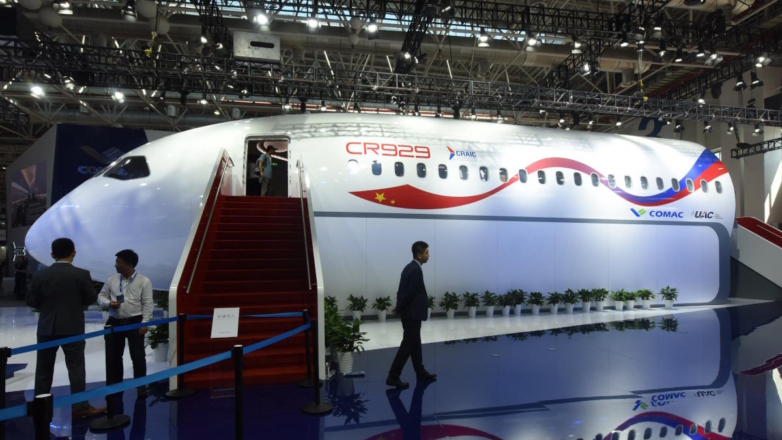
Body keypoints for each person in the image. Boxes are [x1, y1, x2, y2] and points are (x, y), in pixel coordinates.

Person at [26, 238, 105, 419]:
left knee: (43, 369)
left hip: (46, 327)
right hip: (72, 327)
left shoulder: (40, 275)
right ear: (73, 253)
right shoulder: (81, 274)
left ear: (52, 254)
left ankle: (40, 407)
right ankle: (79, 407)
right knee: (76, 368)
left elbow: (31, 300)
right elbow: (90, 298)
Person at [97, 249, 153, 399]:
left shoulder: (144, 281)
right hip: (114, 322)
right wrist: (109, 303)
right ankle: (116, 386)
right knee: (114, 356)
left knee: (138, 356)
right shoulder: (111, 280)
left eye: (119, 262)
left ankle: (141, 387)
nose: (115, 265)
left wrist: (144, 323)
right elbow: (101, 296)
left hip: (135, 322)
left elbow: (148, 304)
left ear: (129, 264)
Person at [387, 241, 437, 388]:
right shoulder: (416, 270)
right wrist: (399, 307)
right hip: (412, 314)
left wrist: (399, 306)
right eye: (426, 253)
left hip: (409, 313)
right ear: (419, 255)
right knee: (408, 345)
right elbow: (410, 293)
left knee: (415, 343)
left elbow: (401, 290)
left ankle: (420, 372)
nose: (428, 255)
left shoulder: (408, 267)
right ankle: (393, 376)